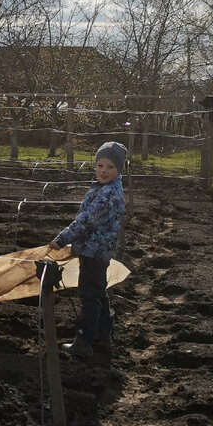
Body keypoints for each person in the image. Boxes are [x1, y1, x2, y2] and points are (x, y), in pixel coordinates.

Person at [50, 140, 127, 361]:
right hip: (96, 251)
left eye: (110, 167)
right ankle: (103, 333)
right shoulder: (104, 187)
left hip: (94, 252)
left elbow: (86, 221)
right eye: (100, 165)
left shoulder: (109, 195)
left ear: (118, 170)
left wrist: (62, 239)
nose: (103, 171)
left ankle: (83, 342)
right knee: (98, 292)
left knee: (90, 296)